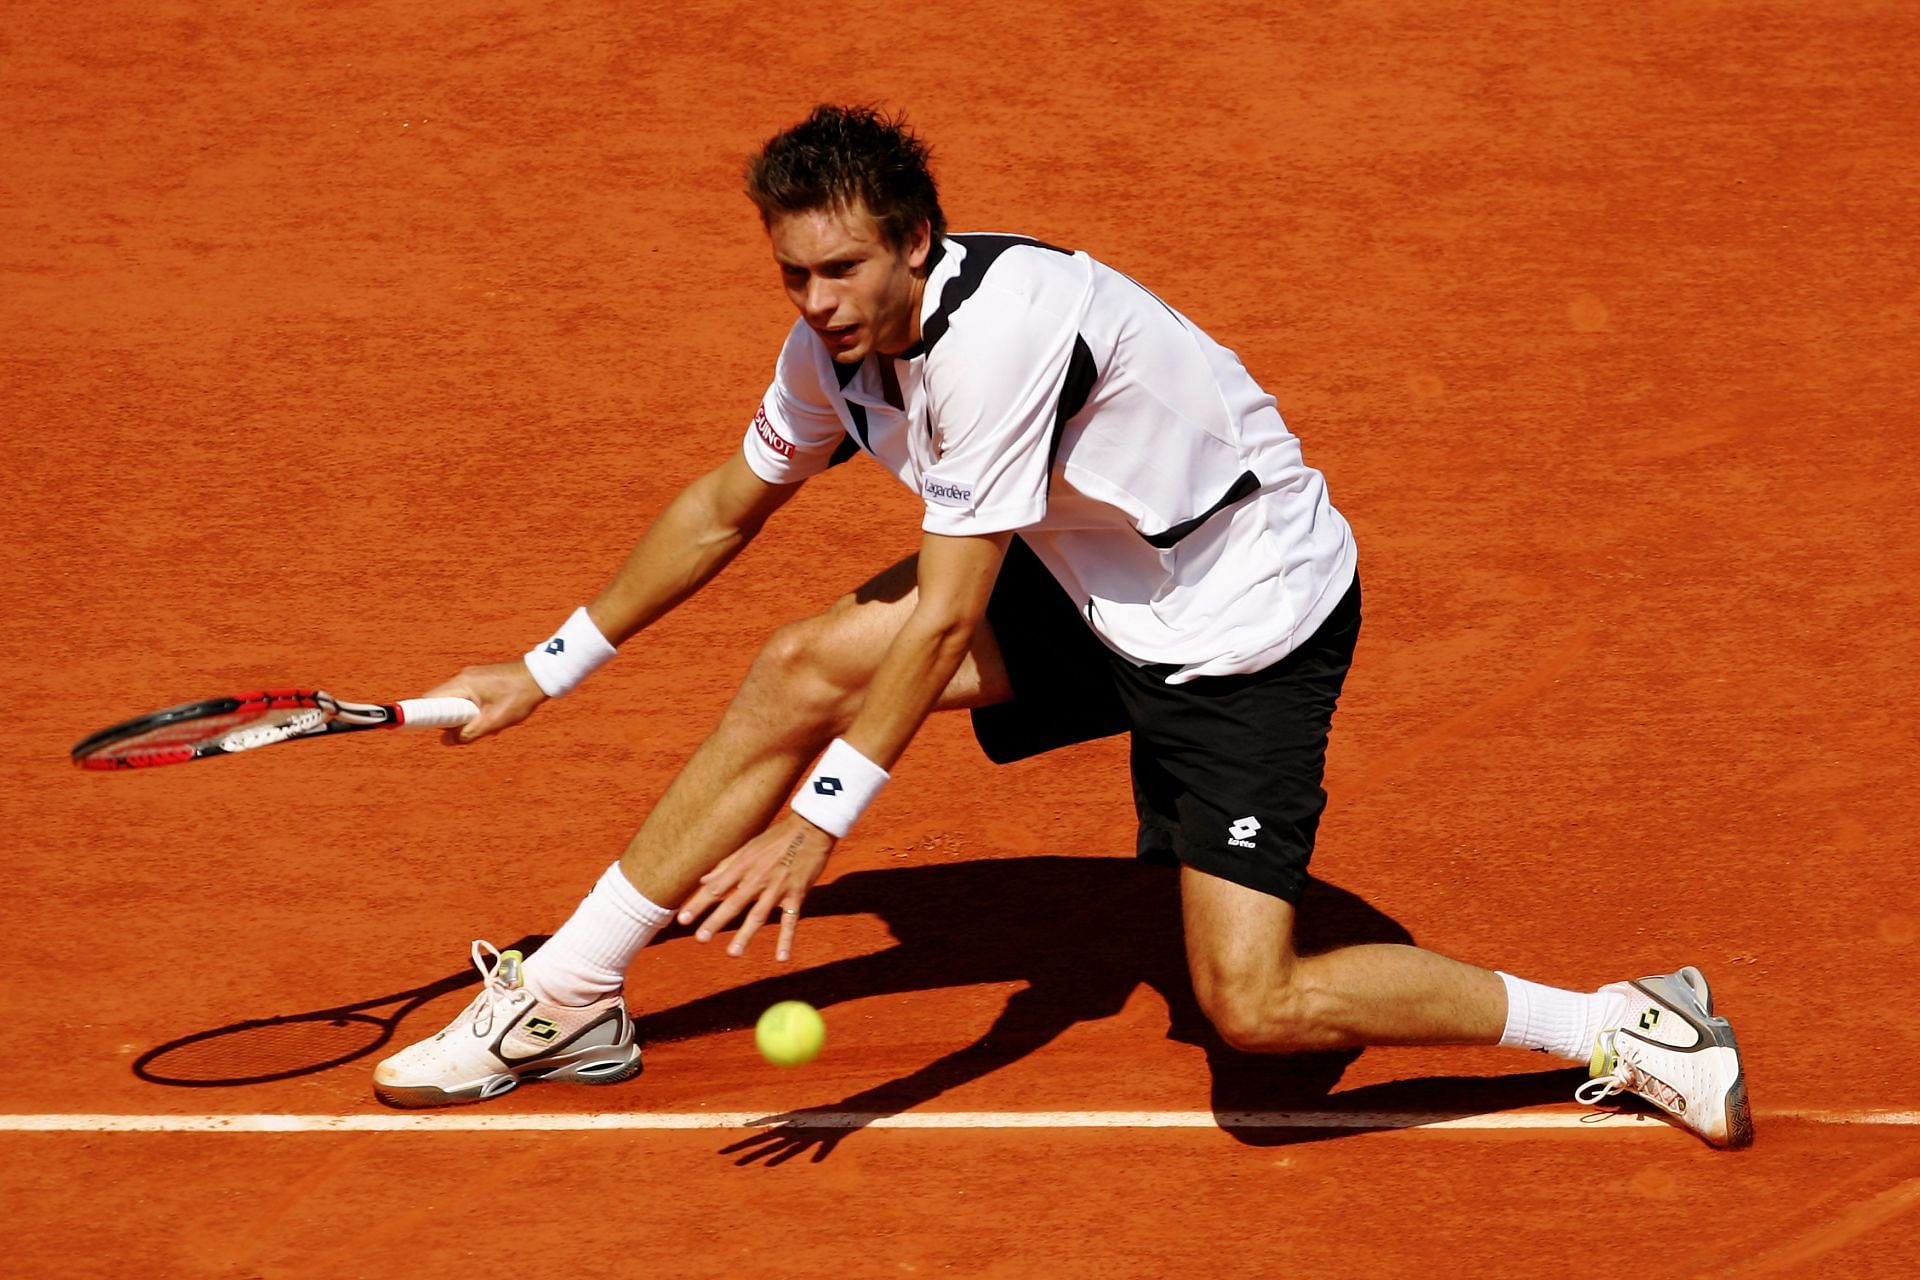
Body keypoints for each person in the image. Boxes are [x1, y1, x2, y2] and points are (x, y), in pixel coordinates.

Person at [372, 105, 1751, 1149]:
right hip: (1094, 579)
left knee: (1256, 1013)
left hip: (1241, 629)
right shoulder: (835, 348)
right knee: (796, 665)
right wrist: (547, 668)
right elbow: (731, 504)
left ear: (917, 239)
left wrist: (821, 822)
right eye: (794, 274)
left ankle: (1628, 1022)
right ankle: (573, 992)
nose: (818, 304)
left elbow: (945, 617)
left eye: (844, 269)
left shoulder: (1004, 337)